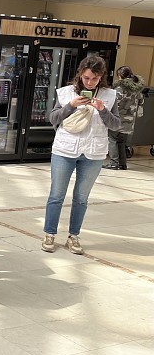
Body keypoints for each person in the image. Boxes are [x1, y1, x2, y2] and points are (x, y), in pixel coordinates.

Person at [42, 56, 120, 255]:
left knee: (81, 198)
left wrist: (102, 110)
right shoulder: (66, 92)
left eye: (94, 79)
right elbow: (52, 118)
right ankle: (49, 234)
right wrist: (71, 106)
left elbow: (116, 125)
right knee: (56, 195)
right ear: (80, 74)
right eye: (86, 78)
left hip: (94, 153)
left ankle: (73, 236)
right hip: (64, 150)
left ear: (101, 77)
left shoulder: (110, 96)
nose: (89, 82)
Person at [104, 65, 146, 170]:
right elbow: (141, 102)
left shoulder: (120, 88)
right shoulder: (137, 89)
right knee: (121, 141)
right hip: (129, 121)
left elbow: (115, 102)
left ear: (120, 76)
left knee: (112, 139)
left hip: (118, 119)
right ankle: (122, 164)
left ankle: (114, 162)